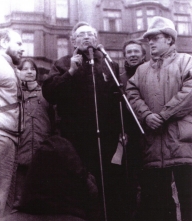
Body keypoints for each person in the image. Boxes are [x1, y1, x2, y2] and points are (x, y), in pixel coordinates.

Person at [42, 22, 121, 221]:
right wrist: (70, 73)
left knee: (108, 185)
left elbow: (117, 100)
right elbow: (50, 93)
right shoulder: (62, 63)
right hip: (75, 137)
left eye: (90, 34)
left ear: (96, 39)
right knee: (81, 184)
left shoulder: (109, 65)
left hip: (106, 137)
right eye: (81, 35)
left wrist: (121, 132)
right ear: (73, 41)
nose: (86, 38)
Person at [126, 16, 192, 221]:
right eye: (149, 39)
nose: (150, 42)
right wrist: (146, 116)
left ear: (170, 40)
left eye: (156, 38)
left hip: (183, 146)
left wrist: (162, 116)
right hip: (153, 149)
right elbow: (131, 94)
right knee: (160, 205)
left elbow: (190, 92)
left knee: (189, 200)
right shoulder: (141, 70)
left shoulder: (186, 61)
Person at [11, 58, 56, 210]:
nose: (29, 72)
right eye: (25, 69)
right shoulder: (13, 94)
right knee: (18, 192)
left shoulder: (46, 93)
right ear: (18, 71)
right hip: (19, 146)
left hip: (42, 146)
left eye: (32, 69)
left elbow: (54, 119)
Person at [0, 29, 24, 220]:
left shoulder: (5, 65)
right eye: (19, 43)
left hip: (6, 136)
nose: (23, 49)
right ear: (3, 42)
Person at [119, 40, 146, 220]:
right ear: (125, 56)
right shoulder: (119, 78)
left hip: (149, 130)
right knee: (129, 177)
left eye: (136, 51)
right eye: (129, 52)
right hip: (128, 134)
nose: (133, 54)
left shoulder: (151, 73)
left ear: (143, 55)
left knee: (149, 179)